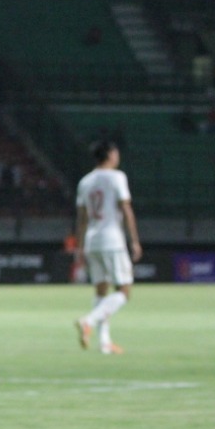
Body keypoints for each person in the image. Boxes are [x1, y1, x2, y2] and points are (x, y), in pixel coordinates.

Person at [73, 140, 141, 354]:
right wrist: (135, 240)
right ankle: (89, 321)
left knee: (101, 291)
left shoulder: (85, 181)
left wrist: (79, 246)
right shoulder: (117, 177)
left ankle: (104, 342)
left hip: (92, 241)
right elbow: (126, 209)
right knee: (124, 291)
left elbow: (82, 218)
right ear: (110, 155)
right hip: (112, 240)